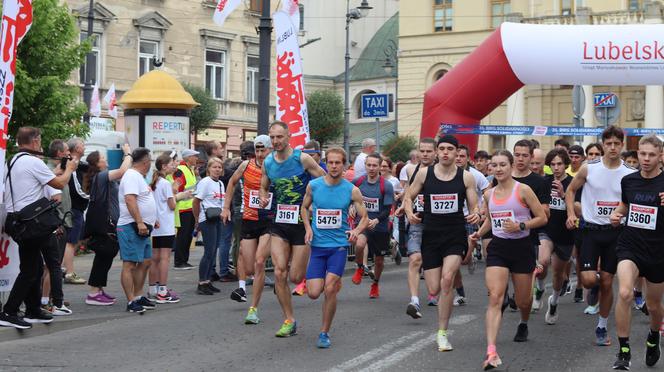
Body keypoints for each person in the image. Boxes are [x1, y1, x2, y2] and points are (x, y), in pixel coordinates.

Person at [469, 150, 547, 370]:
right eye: (495, 165)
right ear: (491, 168)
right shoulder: (489, 195)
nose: (499, 169)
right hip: (499, 247)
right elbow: (492, 220)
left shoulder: (523, 190)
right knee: (495, 297)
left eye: (503, 164)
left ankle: (523, 321)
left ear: (511, 166)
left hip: (522, 247)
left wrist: (521, 226)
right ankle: (491, 351)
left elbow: (542, 217)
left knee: (523, 301)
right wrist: (479, 233)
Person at [404, 135, 481, 352]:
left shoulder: (466, 177)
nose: (446, 152)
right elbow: (408, 197)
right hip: (431, 236)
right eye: (442, 149)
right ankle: (441, 323)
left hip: (455, 235)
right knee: (434, 288)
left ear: (457, 153)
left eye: (450, 149)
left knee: (447, 280)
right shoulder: (424, 173)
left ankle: (442, 333)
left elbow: (474, 206)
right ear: (437, 152)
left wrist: (475, 214)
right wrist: (409, 212)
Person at [565, 125, 636, 346]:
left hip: (616, 233)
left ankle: (602, 326)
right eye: (608, 143)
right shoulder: (589, 168)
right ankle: (592, 286)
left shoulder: (630, 174)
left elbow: (635, 202)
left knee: (607, 281)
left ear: (622, 145)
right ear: (603, 145)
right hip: (591, 231)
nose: (612, 147)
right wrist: (570, 213)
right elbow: (570, 191)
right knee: (588, 280)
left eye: (617, 143)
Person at [0, 127, 77, 329]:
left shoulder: (12, 161)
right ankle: (9, 311)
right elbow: (59, 184)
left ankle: (33, 309)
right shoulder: (33, 162)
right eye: (40, 139)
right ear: (34, 141)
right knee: (29, 270)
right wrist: (69, 169)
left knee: (33, 266)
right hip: (31, 222)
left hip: (17, 221)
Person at [260, 121, 325, 337]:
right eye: (272, 137)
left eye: (280, 137)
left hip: (302, 222)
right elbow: (264, 184)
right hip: (279, 222)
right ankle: (289, 319)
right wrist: (262, 195)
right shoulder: (268, 162)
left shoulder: (302, 159)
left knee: (296, 277)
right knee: (279, 272)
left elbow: (324, 180)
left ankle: (317, 268)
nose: (276, 141)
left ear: (288, 137)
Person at [301, 147, 369, 348]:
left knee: (329, 289)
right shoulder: (314, 186)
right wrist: (307, 227)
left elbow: (364, 217)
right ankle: (323, 281)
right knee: (314, 293)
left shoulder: (351, 190)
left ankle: (324, 332)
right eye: (330, 162)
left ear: (344, 165)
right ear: (326, 163)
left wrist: (356, 231)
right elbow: (304, 207)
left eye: (337, 162)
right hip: (318, 247)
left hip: (338, 246)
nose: (333, 166)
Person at [609, 135, 664, 370]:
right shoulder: (629, 181)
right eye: (643, 154)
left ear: (661, 156)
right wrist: (616, 214)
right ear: (637, 153)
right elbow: (625, 204)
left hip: (658, 250)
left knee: (653, 306)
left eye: (652, 154)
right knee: (624, 292)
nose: (646, 159)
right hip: (630, 245)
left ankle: (654, 335)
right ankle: (624, 350)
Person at [222, 135, 273, 323]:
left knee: (260, 262)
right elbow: (232, 182)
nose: (260, 154)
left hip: (269, 220)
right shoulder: (246, 165)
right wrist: (226, 207)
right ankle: (246, 285)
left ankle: (253, 309)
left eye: (263, 150)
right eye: (257, 150)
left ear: (270, 149)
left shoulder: (278, 166)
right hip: (249, 218)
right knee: (249, 263)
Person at [82, 145, 133, 306]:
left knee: (105, 256)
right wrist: (128, 154)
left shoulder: (101, 177)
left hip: (108, 224)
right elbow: (123, 171)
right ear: (97, 164)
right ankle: (93, 292)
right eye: (103, 158)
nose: (106, 160)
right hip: (105, 225)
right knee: (104, 255)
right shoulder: (101, 176)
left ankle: (98, 289)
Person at [396, 137, 436, 319]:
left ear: (435, 152)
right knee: (415, 259)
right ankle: (414, 300)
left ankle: (435, 292)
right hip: (417, 221)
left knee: (434, 264)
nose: (425, 154)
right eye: (422, 151)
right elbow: (409, 193)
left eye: (429, 151)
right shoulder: (411, 169)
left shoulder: (442, 171)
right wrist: (405, 207)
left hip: (438, 224)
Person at [117, 148, 157, 313]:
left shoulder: (138, 177)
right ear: (146, 162)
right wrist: (140, 222)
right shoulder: (132, 175)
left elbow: (142, 199)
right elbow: (130, 199)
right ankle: (130, 300)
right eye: (150, 161)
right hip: (131, 226)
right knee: (130, 264)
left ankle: (139, 295)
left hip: (142, 226)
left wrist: (152, 220)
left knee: (146, 261)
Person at [351, 153, 394, 298]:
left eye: (375, 165)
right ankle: (360, 267)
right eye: (369, 165)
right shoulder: (358, 181)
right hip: (362, 222)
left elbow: (387, 209)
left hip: (380, 226)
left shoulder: (386, 186)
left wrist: (377, 220)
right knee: (359, 244)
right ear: (365, 165)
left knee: (379, 260)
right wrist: (351, 205)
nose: (371, 168)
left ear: (380, 167)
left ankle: (375, 283)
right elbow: (349, 197)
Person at [39, 140, 74, 315]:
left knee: (53, 265)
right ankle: (45, 301)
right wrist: (56, 224)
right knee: (51, 265)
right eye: (67, 151)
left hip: (61, 222)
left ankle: (51, 298)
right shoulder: (50, 172)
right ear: (60, 154)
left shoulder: (57, 171)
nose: (70, 154)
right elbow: (54, 198)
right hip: (56, 223)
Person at [541, 148, 575, 325]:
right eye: (552, 164)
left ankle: (553, 301)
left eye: (559, 164)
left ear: (565, 165)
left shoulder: (573, 183)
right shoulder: (544, 182)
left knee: (557, 273)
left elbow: (577, 208)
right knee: (543, 261)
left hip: (565, 234)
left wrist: (564, 195)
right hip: (546, 230)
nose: (556, 168)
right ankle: (539, 288)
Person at [453, 144, 489, 306]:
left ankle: (471, 256)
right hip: (451, 221)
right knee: (453, 261)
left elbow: (489, 193)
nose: (459, 159)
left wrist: (481, 212)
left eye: (462, 156)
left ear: (468, 159)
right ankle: (460, 294)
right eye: (457, 155)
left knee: (464, 260)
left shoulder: (476, 175)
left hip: (470, 218)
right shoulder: (446, 173)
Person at [147, 152, 181, 304]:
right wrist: (176, 193)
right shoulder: (166, 183)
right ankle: (163, 290)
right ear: (164, 166)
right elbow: (172, 205)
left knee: (154, 259)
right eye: (171, 163)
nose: (174, 165)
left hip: (155, 226)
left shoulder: (154, 182)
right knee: (165, 258)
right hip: (166, 225)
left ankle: (152, 289)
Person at [193, 157, 225, 295]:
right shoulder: (205, 182)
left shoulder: (220, 184)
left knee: (213, 251)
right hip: (206, 219)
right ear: (208, 169)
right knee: (208, 252)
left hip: (217, 218)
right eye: (214, 167)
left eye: (219, 167)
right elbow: (196, 201)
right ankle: (201, 283)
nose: (217, 169)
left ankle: (207, 281)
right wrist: (197, 220)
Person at [63, 138, 88, 284]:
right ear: (77, 148)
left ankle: (64, 269)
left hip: (77, 208)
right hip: (73, 208)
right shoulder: (72, 164)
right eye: (83, 144)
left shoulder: (79, 165)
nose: (84, 147)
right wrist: (91, 195)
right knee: (70, 242)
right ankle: (69, 273)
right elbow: (76, 188)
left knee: (72, 241)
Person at [173, 148, 200, 270]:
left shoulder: (190, 169)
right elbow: (177, 188)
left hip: (190, 207)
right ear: (188, 158)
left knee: (188, 235)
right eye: (194, 156)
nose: (196, 158)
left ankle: (184, 260)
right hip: (183, 208)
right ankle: (179, 261)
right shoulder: (181, 170)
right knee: (183, 236)